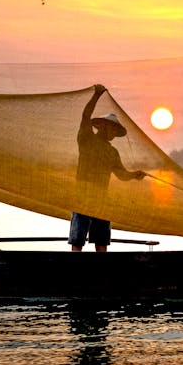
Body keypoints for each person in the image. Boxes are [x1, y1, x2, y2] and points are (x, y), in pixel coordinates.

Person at [69, 84, 145, 252]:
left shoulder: (112, 152)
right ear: (102, 126)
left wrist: (134, 175)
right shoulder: (86, 139)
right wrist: (96, 95)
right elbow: (85, 115)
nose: (114, 133)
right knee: (77, 240)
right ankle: (74, 272)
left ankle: (102, 274)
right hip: (82, 197)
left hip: (101, 200)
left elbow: (121, 174)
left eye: (116, 131)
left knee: (101, 242)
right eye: (112, 128)